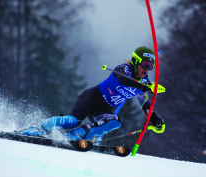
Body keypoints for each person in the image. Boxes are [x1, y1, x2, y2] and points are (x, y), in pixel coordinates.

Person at [21, 46, 165, 141]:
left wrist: (155, 119)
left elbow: (144, 104)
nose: (147, 69)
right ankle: (39, 127)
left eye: (150, 66)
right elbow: (122, 79)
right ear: (136, 62)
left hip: (103, 110)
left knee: (115, 121)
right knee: (72, 121)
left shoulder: (144, 82)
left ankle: (74, 137)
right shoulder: (125, 69)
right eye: (145, 64)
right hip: (92, 98)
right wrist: (145, 86)